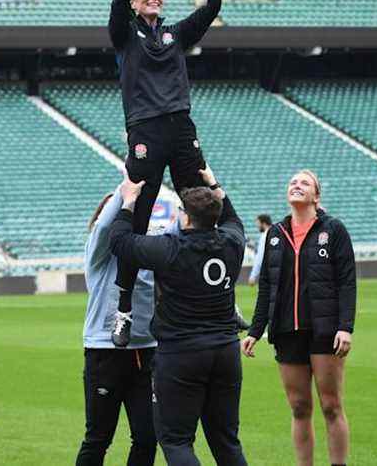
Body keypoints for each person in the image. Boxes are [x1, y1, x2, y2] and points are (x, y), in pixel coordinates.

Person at [108, 0, 235, 347]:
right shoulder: (125, 34)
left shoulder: (174, 34)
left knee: (206, 207)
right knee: (137, 218)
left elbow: (211, 8)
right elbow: (118, 0)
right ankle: (123, 309)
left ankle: (224, 296)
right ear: (136, 1)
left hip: (181, 127)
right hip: (145, 129)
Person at [110, 165, 248, 466]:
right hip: (225, 351)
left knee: (176, 441)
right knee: (226, 442)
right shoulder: (233, 243)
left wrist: (129, 201)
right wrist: (214, 183)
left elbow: (119, 242)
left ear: (185, 217)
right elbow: (233, 219)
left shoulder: (169, 249)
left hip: (181, 353)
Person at [242, 171, 356, 466]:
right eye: (293, 182)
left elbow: (347, 282)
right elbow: (266, 285)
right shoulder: (276, 234)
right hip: (286, 330)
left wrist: (345, 327)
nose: (297, 185)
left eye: (305, 183)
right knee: (299, 407)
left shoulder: (333, 230)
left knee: (331, 405)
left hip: (325, 329)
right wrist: (255, 330)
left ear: (316, 196)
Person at [75, 186, 158, 466]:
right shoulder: (99, 256)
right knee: (98, 438)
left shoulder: (148, 252)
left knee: (148, 438)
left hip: (146, 353)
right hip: (104, 352)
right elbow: (102, 229)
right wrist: (127, 193)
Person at [248, 214, 272, 286]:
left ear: (263, 223)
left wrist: (253, 275)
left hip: (268, 272)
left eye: (258, 223)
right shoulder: (276, 233)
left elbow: (260, 257)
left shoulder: (265, 236)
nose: (257, 226)